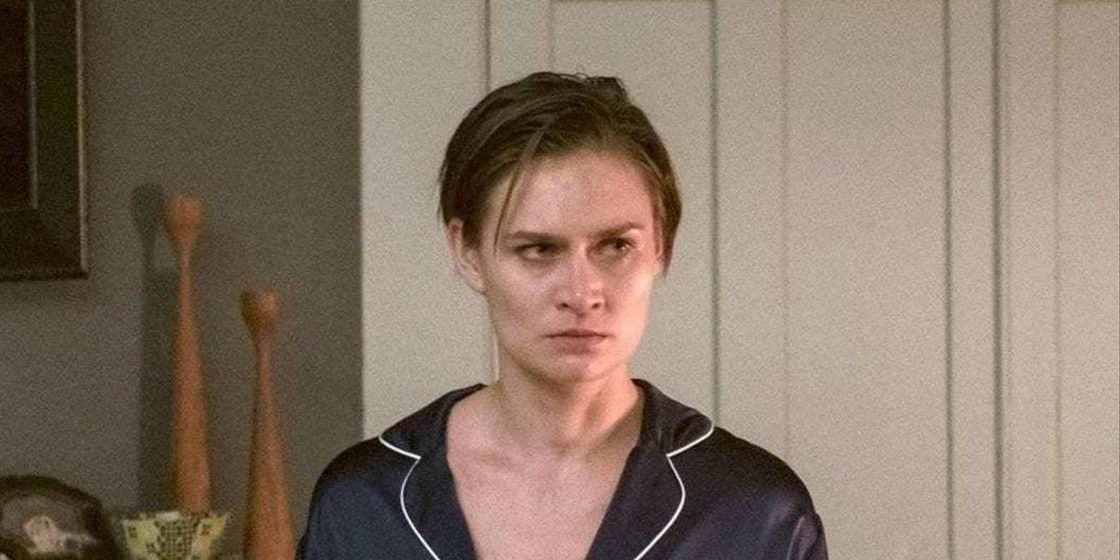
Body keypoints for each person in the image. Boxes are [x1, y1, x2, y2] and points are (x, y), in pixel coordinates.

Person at [297, 72, 828, 560]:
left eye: (616, 246)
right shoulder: (366, 503)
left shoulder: (753, 513)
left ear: (660, 248)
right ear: (468, 252)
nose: (581, 293)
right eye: (538, 249)